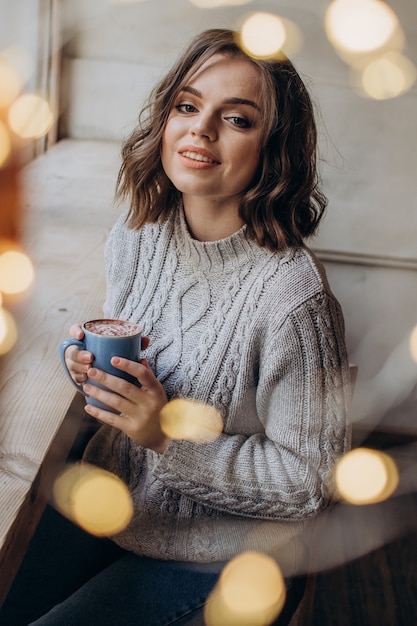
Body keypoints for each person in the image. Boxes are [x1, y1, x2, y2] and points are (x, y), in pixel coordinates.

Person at [0, 28, 351, 625]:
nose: (201, 129)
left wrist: (165, 436)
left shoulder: (293, 296)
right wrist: (85, 363)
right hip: (116, 506)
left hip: (227, 556)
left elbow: (309, 482)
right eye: (187, 106)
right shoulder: (138, 235)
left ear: (276, 146)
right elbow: (151, 355)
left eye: (237, 119)